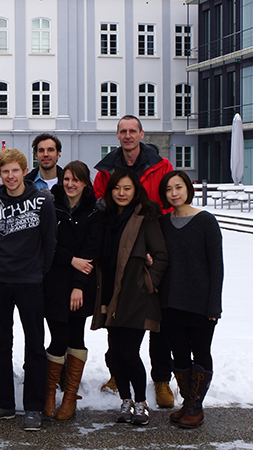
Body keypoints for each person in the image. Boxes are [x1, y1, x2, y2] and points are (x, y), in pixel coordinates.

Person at [93, 115, 175, 407]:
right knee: (115, 314)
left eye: (132, 131)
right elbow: (102, 205)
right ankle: (119, 373)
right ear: (117, 136)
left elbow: (169, 199)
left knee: (157, 319)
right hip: (120, 249)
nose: (128, 136)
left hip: (153, 245)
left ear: (141, 134)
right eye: (122, 131)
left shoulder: (161, 166)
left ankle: (161, 378)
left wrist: (152, 264)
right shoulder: (106, 170)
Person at [0, 149, 57, 431]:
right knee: (0, 343)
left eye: (15, 170)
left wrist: (38, 272)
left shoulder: (42, 200)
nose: (10, 176)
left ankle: (33, 406)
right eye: (5, 171)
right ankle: (3, 403)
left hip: (30, 281)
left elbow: (49, 242)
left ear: (25, 171)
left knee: (35, 345)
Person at [91, 168, 168, 426]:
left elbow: (161, 255)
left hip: (136, 295)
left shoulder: (146, 216)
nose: (121, 193)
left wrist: (149, 280)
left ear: (135, 191)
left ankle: (141, 403)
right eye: (116, 188)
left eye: (127, 188)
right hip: (111, 293)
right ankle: (125, 400)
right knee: (116, 353)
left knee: (129, 352)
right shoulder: (106, 217)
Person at [158, 170, 223, 429]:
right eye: (169, 190)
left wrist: (214, 304)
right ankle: (188, 401)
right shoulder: (164, 223)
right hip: (171, 301)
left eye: (178, 187)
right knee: (179, 354)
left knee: (201, 353)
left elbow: (216, 267)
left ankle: (196, 406)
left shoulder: (206, 222)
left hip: (200, 304)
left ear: (188, 189)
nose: (174, 193)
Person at [43, 161, 103, 421]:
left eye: (76, 179)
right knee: (58, 338)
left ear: (85, 183)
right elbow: (46, 243)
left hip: (82, 285)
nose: (70, 184)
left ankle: (69, 396)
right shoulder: (51, 204)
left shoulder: (94, 211)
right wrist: (70, 259)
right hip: (54, 283)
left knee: (76, 338)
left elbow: (91, 250)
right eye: (67, 178)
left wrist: (78, 284)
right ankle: (48, 395)